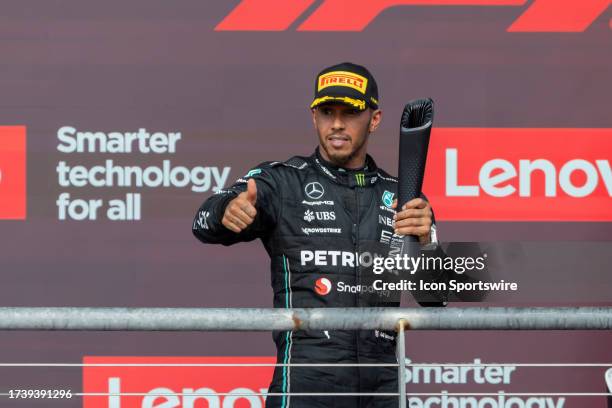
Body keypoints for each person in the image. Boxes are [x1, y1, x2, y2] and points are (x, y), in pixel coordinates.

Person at [193, 62, 446, 407]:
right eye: (327, 112)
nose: (337, 124)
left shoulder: (403, 195)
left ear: (374, 119)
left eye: (350, 113)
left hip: (382, 387)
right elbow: (203, 222)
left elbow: (437, 297)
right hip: (306, 383)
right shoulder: (282, 181)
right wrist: (226, 211)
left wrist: (426, 244)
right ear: (314, 117)